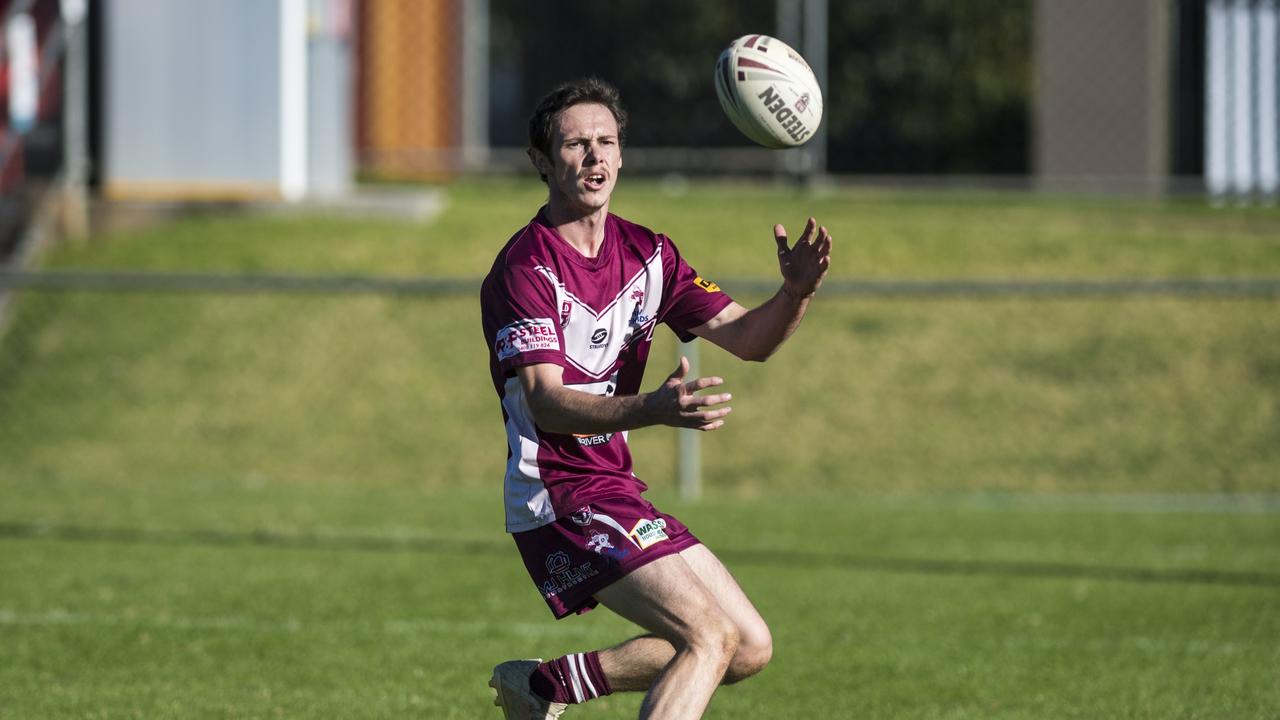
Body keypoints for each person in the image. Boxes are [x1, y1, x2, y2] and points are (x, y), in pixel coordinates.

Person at [480, 77, 832, 720]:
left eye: (606, 142)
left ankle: (546, 687)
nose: (594, 159)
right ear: (540, 161)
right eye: (575, 144)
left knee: (747, 646)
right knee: (708, 636)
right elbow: (546, 404)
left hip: (610, 487)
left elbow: (750, 340)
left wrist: (795, 295)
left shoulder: (651, 253)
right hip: (555, 491)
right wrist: (653, 408)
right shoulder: (524, 269)